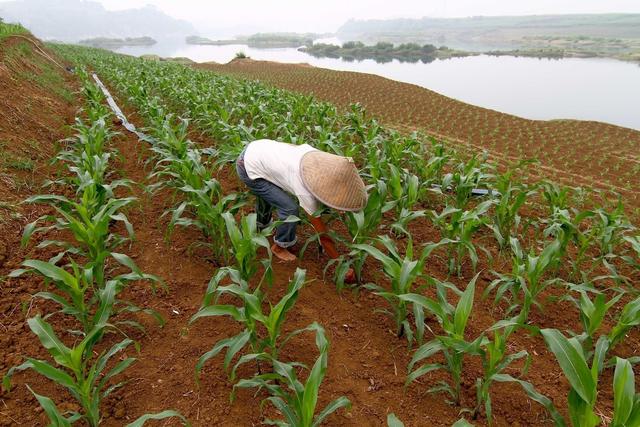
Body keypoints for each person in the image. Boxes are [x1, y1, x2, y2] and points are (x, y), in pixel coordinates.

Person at [236, 139, 367, 263]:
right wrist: (339, 262)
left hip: (258, 149)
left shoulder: (314, 157)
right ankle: (280, 246)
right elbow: (322, 234)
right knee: (289, 209)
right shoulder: (304, 188)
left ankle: (262, 223)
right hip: (247, 166)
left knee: (271, 194)